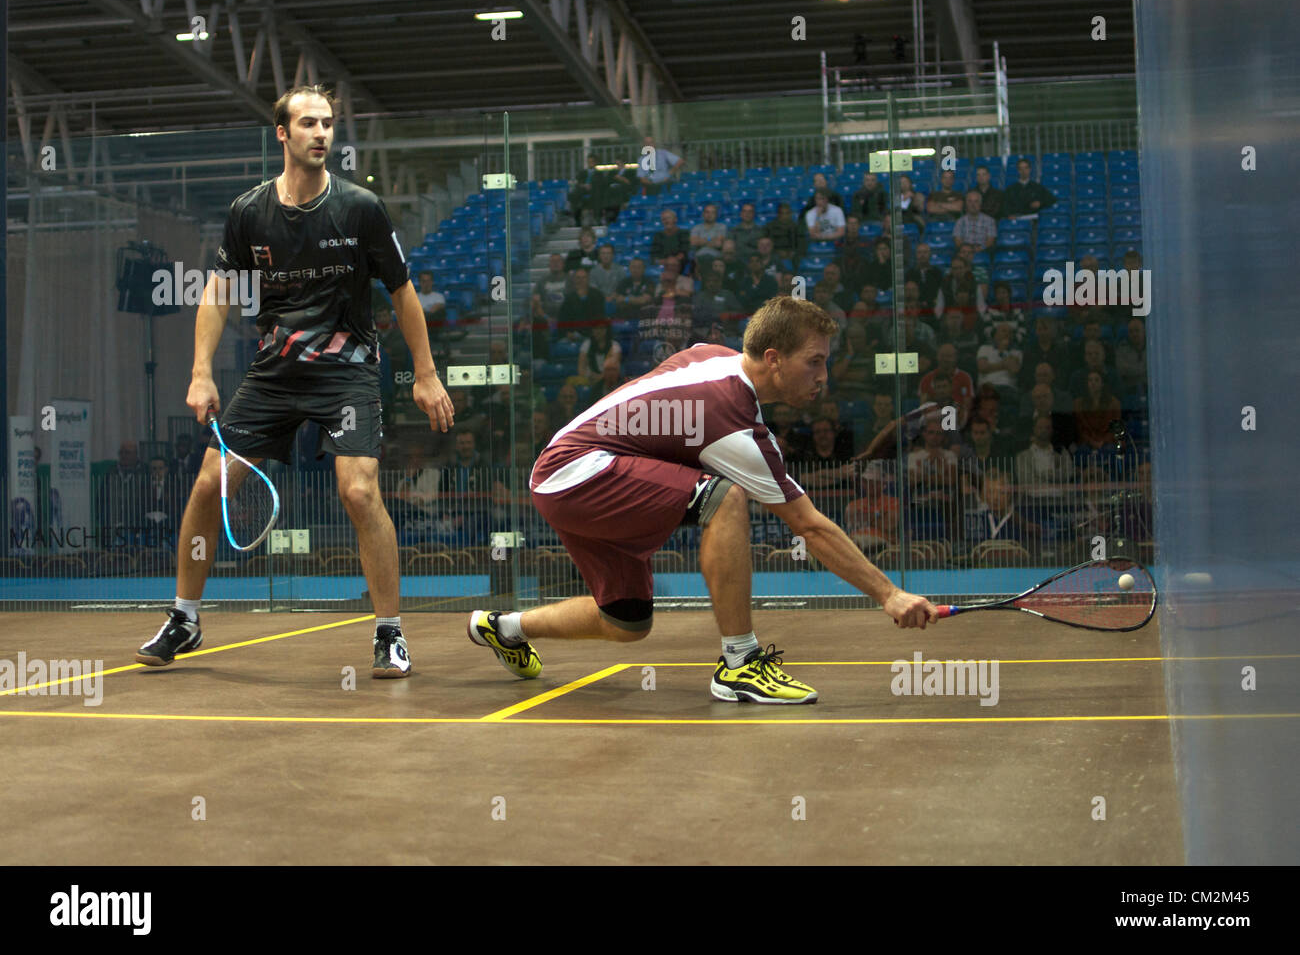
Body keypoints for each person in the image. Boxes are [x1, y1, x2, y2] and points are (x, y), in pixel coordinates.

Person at [466, 296, 938, 703]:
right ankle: (740, 663)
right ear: (773, 359)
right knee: (725, 498)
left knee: (627, 620)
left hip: (568, 474)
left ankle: (505, 627)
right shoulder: (732, 422)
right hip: (577, 471)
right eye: (814, 361)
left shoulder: (713, 357)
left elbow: (667, 382)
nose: (824, 376)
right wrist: (889, 593)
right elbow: (809, 526)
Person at [135, 85, 454, 676]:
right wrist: (201, 372)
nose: (322, 133)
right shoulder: (249, 212)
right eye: (308, 123)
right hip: (275, 372)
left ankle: (389, 633)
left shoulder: (360, 208)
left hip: (349, 369)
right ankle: (184, 619)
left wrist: (426, 374)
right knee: (209, 483)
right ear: (282, 134)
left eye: (328, 124)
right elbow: (218, 293)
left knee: (358, 491)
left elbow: (402, 292)